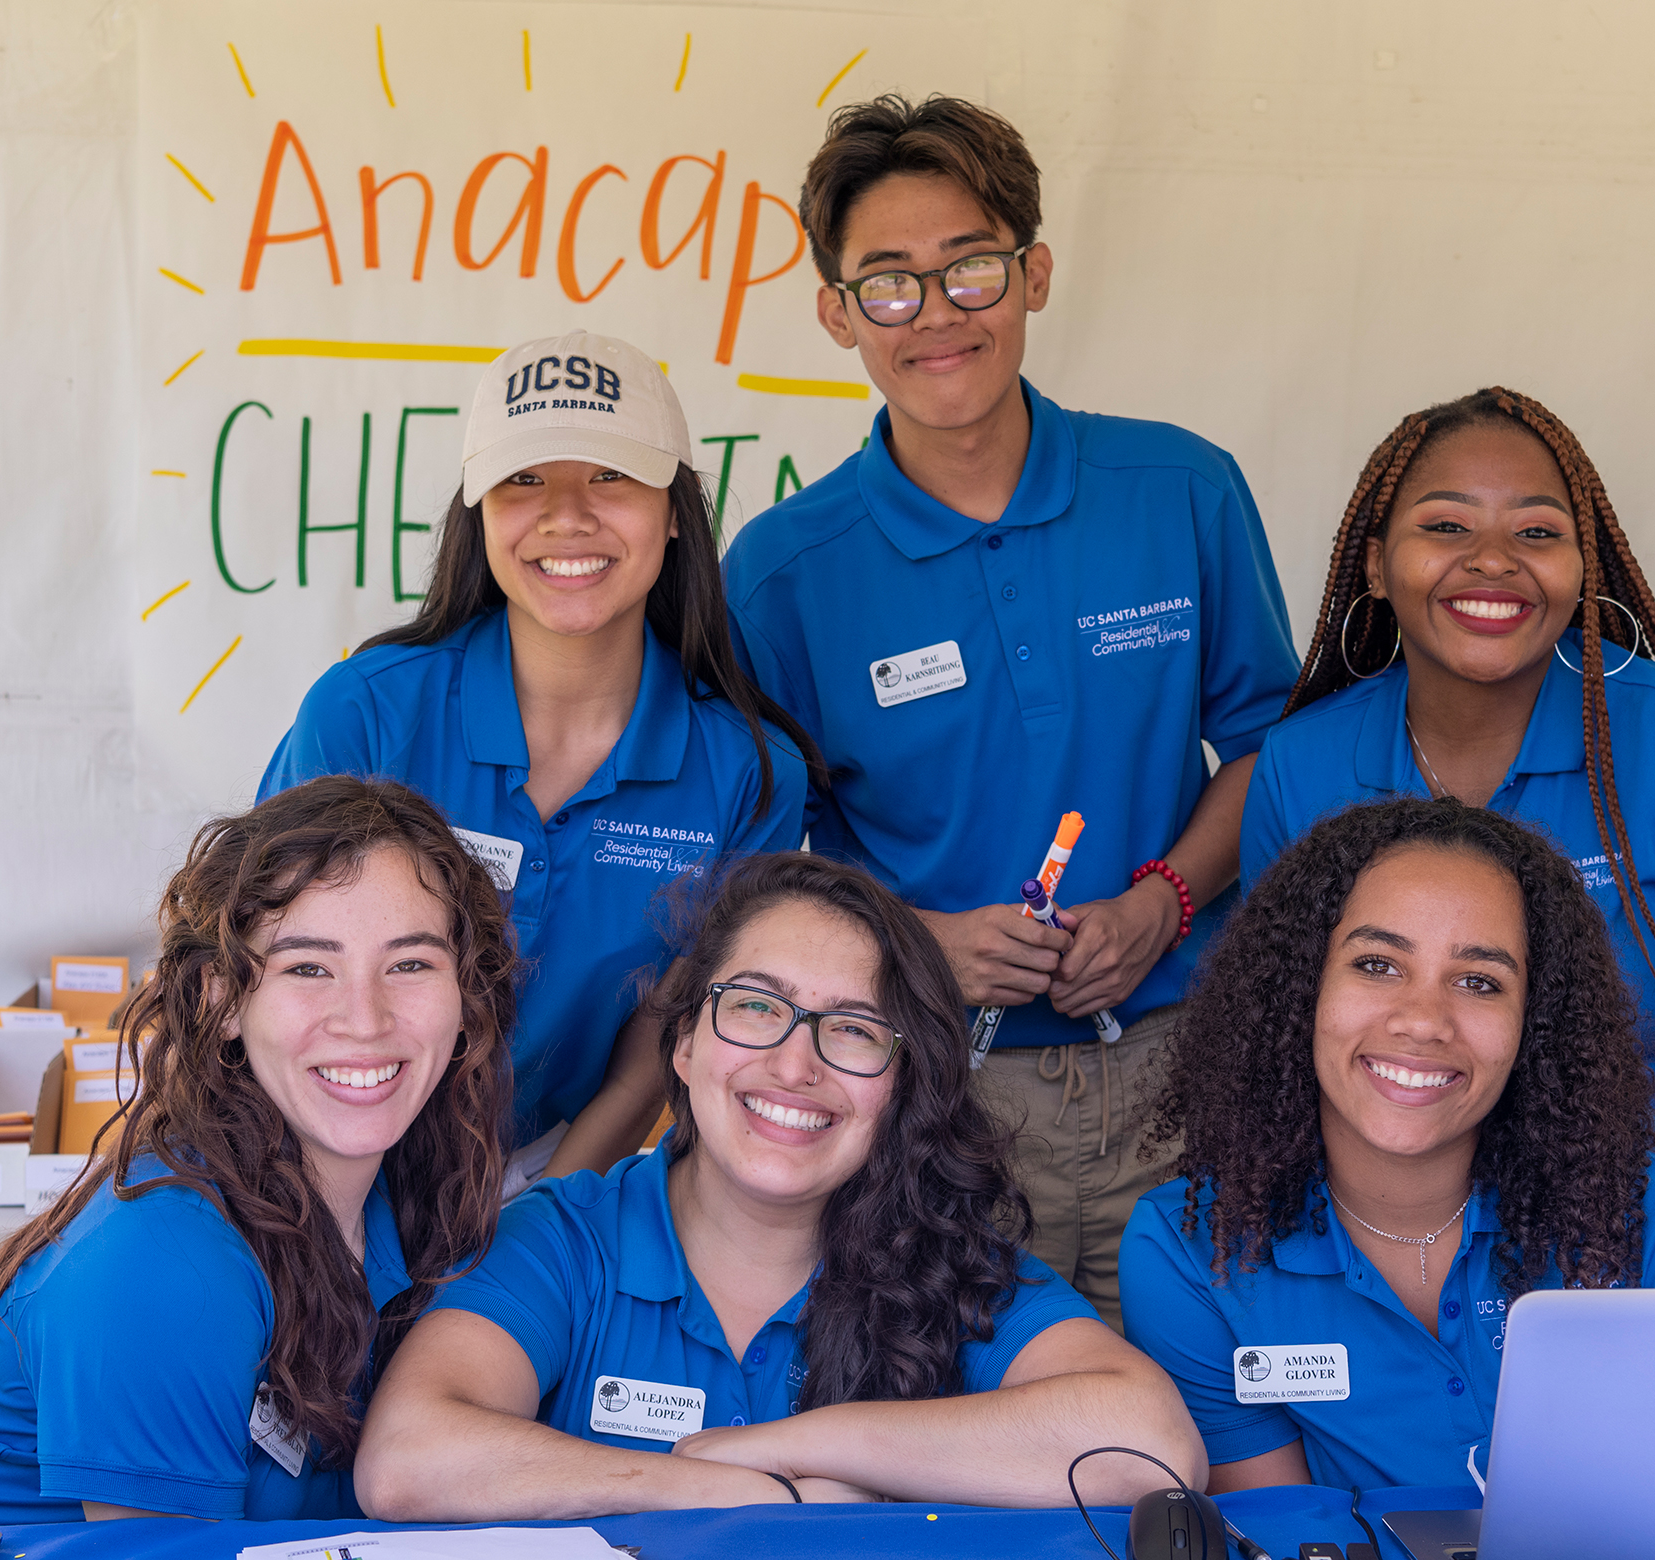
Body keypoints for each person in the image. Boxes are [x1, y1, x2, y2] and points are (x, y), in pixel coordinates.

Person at [721, 96, 1298, 1327]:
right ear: (835, 313)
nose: (935, 314)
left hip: (1188, 1069)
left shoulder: (1180, 490)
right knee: (965, 1442)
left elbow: (1272, 749)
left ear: (1032, 274)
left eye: (969, 267)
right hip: (936, 1092)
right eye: (888, 284)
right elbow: (757, 858)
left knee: (1202, 1425)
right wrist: (914, 940)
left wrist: (1164, 901)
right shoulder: (781, 571)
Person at [1240, 387, 1655, 1284]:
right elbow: (1289, 1029)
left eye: (1538, 534)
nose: (1494, 562)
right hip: (1477, 1240)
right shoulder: (1302, 767)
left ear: (1583, 567)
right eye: (1446, 527)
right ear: (1377, 565)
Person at [355, 851, 1203, 1517]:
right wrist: (717, 1487)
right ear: (683, 1047)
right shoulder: (567, 1237)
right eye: (757, 1007)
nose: (796, 1066)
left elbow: (1151, 1445)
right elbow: (405, 1458)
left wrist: (793, 1445)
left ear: (903, 1082)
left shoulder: (949, 1259)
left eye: (855, 1028)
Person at [264, 329, 817, 1190]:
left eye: (610, 475)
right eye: (524, 479)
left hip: (554, 1173)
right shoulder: (366, 713)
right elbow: (273, 982)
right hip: (316, 1150)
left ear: (675, 512)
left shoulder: (751, 772)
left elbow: (652, 1060)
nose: (568, 515)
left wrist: (535, 1234)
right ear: (477, 512)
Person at [1122, 798, 1655, 1494]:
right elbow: (1285, 1533)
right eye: (1378, 964)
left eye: (1479, 982)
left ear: (1533, 1024)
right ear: (1300, 990)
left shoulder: (1640, 1179)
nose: (1422, 1021)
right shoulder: (1190, 1248)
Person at [0, 777, 516, 1523]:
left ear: (466, 997)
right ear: (222, 1001)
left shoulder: (397, 1203)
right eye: (307, 967)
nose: (364, 1018)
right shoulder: (171, 1260)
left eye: (409, 964)